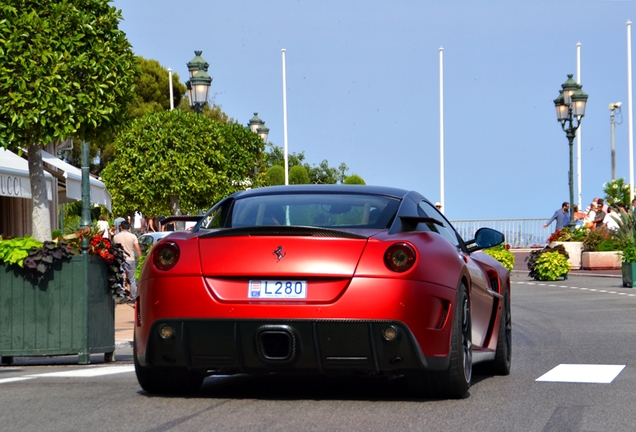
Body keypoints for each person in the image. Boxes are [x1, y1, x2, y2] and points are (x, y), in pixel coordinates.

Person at [113, 221, 142, 300]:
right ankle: (133, 297)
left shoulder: (116, 237)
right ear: (128, 227)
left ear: (121, 227)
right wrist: (140, 259)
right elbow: (138, 249)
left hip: (120, 259)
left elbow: (114, 249)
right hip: (130, 259)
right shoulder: (133, 236)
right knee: (132, 279)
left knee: (120, 278)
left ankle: (121, 296)